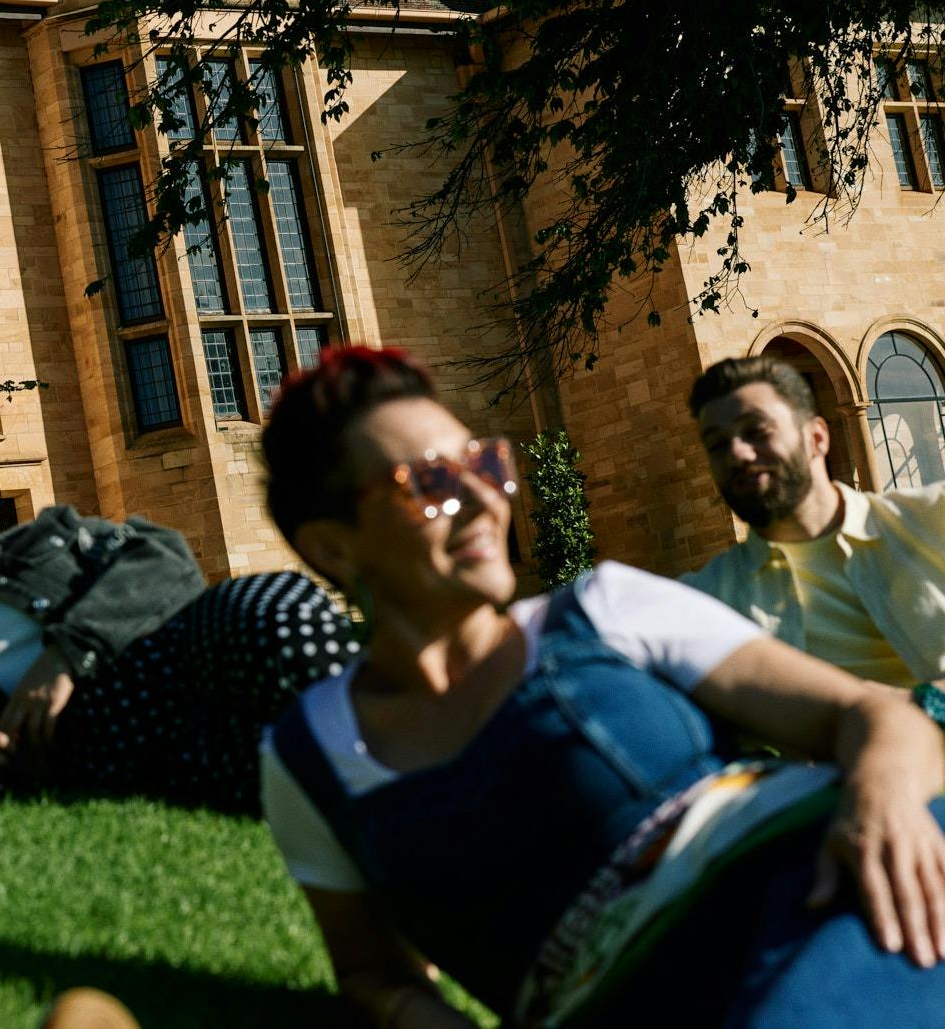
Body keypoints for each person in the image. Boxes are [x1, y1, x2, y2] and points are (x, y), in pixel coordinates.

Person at [257, 345, 945, 1027]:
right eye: (429, 482)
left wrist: (881, 807)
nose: (484, 500)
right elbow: (371, 973)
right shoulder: (308, 756)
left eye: (483, 464)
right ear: (332, 546)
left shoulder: (603, 607)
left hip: (832, 888)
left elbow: (873, 715)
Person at [0, 405, 357, 815]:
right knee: (282, 770)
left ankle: (393, 759)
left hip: (180, 668)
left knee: (273, 604)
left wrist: (68, 655)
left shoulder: (36, 545)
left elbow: (164, 557)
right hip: (106, 752)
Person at [682, 354, 945, 685]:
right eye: (718, 445)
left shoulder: (935, 517)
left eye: (757, 431)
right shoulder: (708, 603)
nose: (737, 454)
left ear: (817, 438)